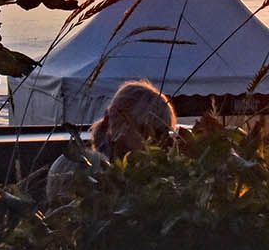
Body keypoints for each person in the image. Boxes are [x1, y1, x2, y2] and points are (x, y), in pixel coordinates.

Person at [44, 80, 178, 204]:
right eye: (145, 131)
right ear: (113, 121)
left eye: (162, 134)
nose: (156, 142)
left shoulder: (154, 176)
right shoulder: (78, 167)